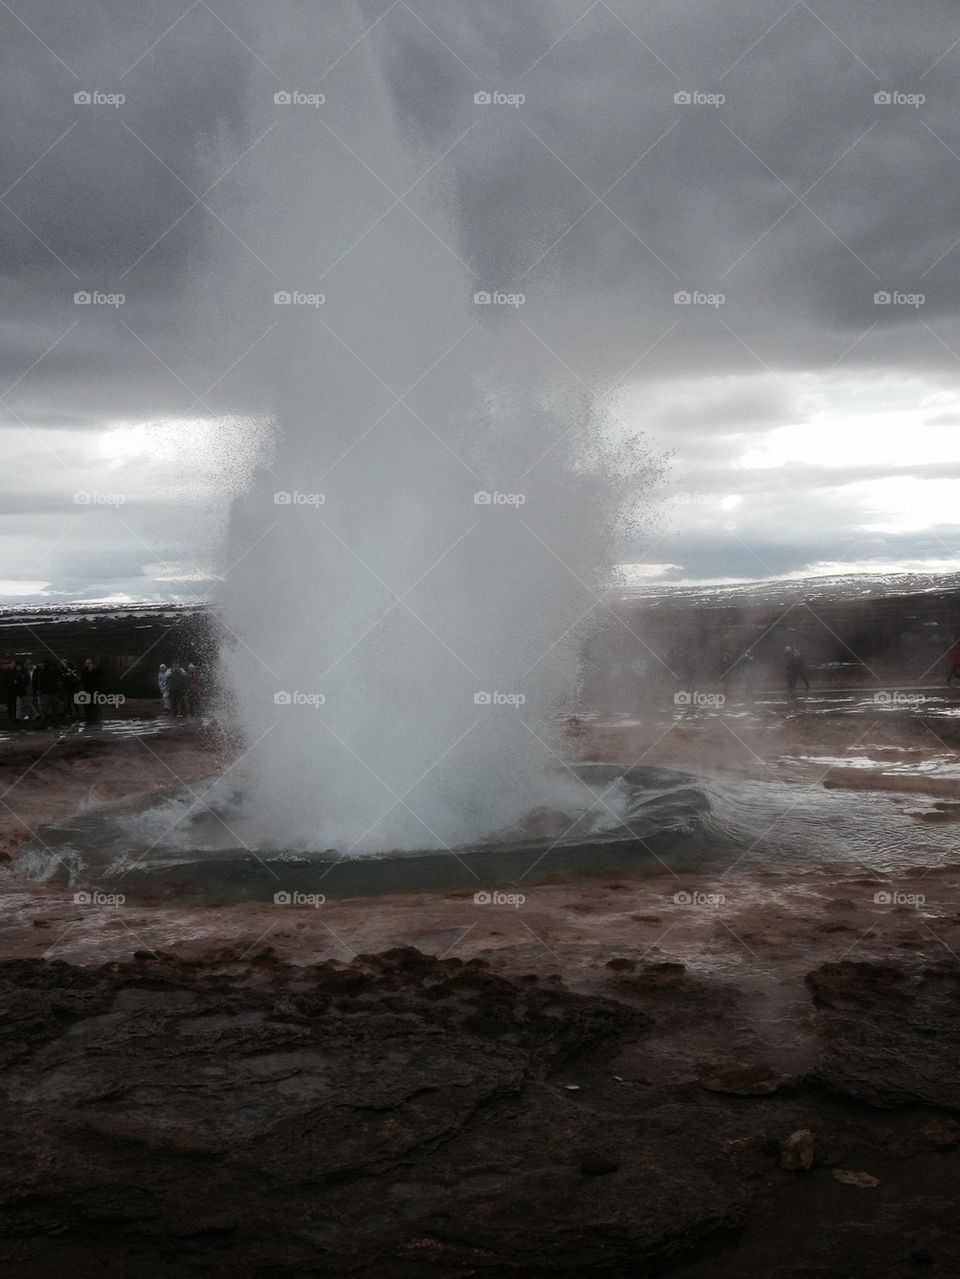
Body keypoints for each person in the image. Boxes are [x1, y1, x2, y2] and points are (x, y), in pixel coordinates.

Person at [35, 659, 62, 728]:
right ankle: (55, 724)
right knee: (55, 710)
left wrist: (40, 691)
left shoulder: (41, 672)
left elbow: (40, 683)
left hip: (46, 693)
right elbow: (57, 682)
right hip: (53, 693)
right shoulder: (54, 672)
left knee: (44, 710)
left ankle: (43, 724)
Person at [79, 658, 103, 726]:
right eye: (87, 663)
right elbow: (83, 679)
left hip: (95, 690)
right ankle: (89, 719)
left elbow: (99, 678)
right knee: (87, 706)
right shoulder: (84, 670)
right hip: (87, 690)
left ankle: (95, 719)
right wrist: (88, 671)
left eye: (90, 663)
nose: (89, 664)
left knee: (95, 705)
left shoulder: (96, 670)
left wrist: (93, 671)